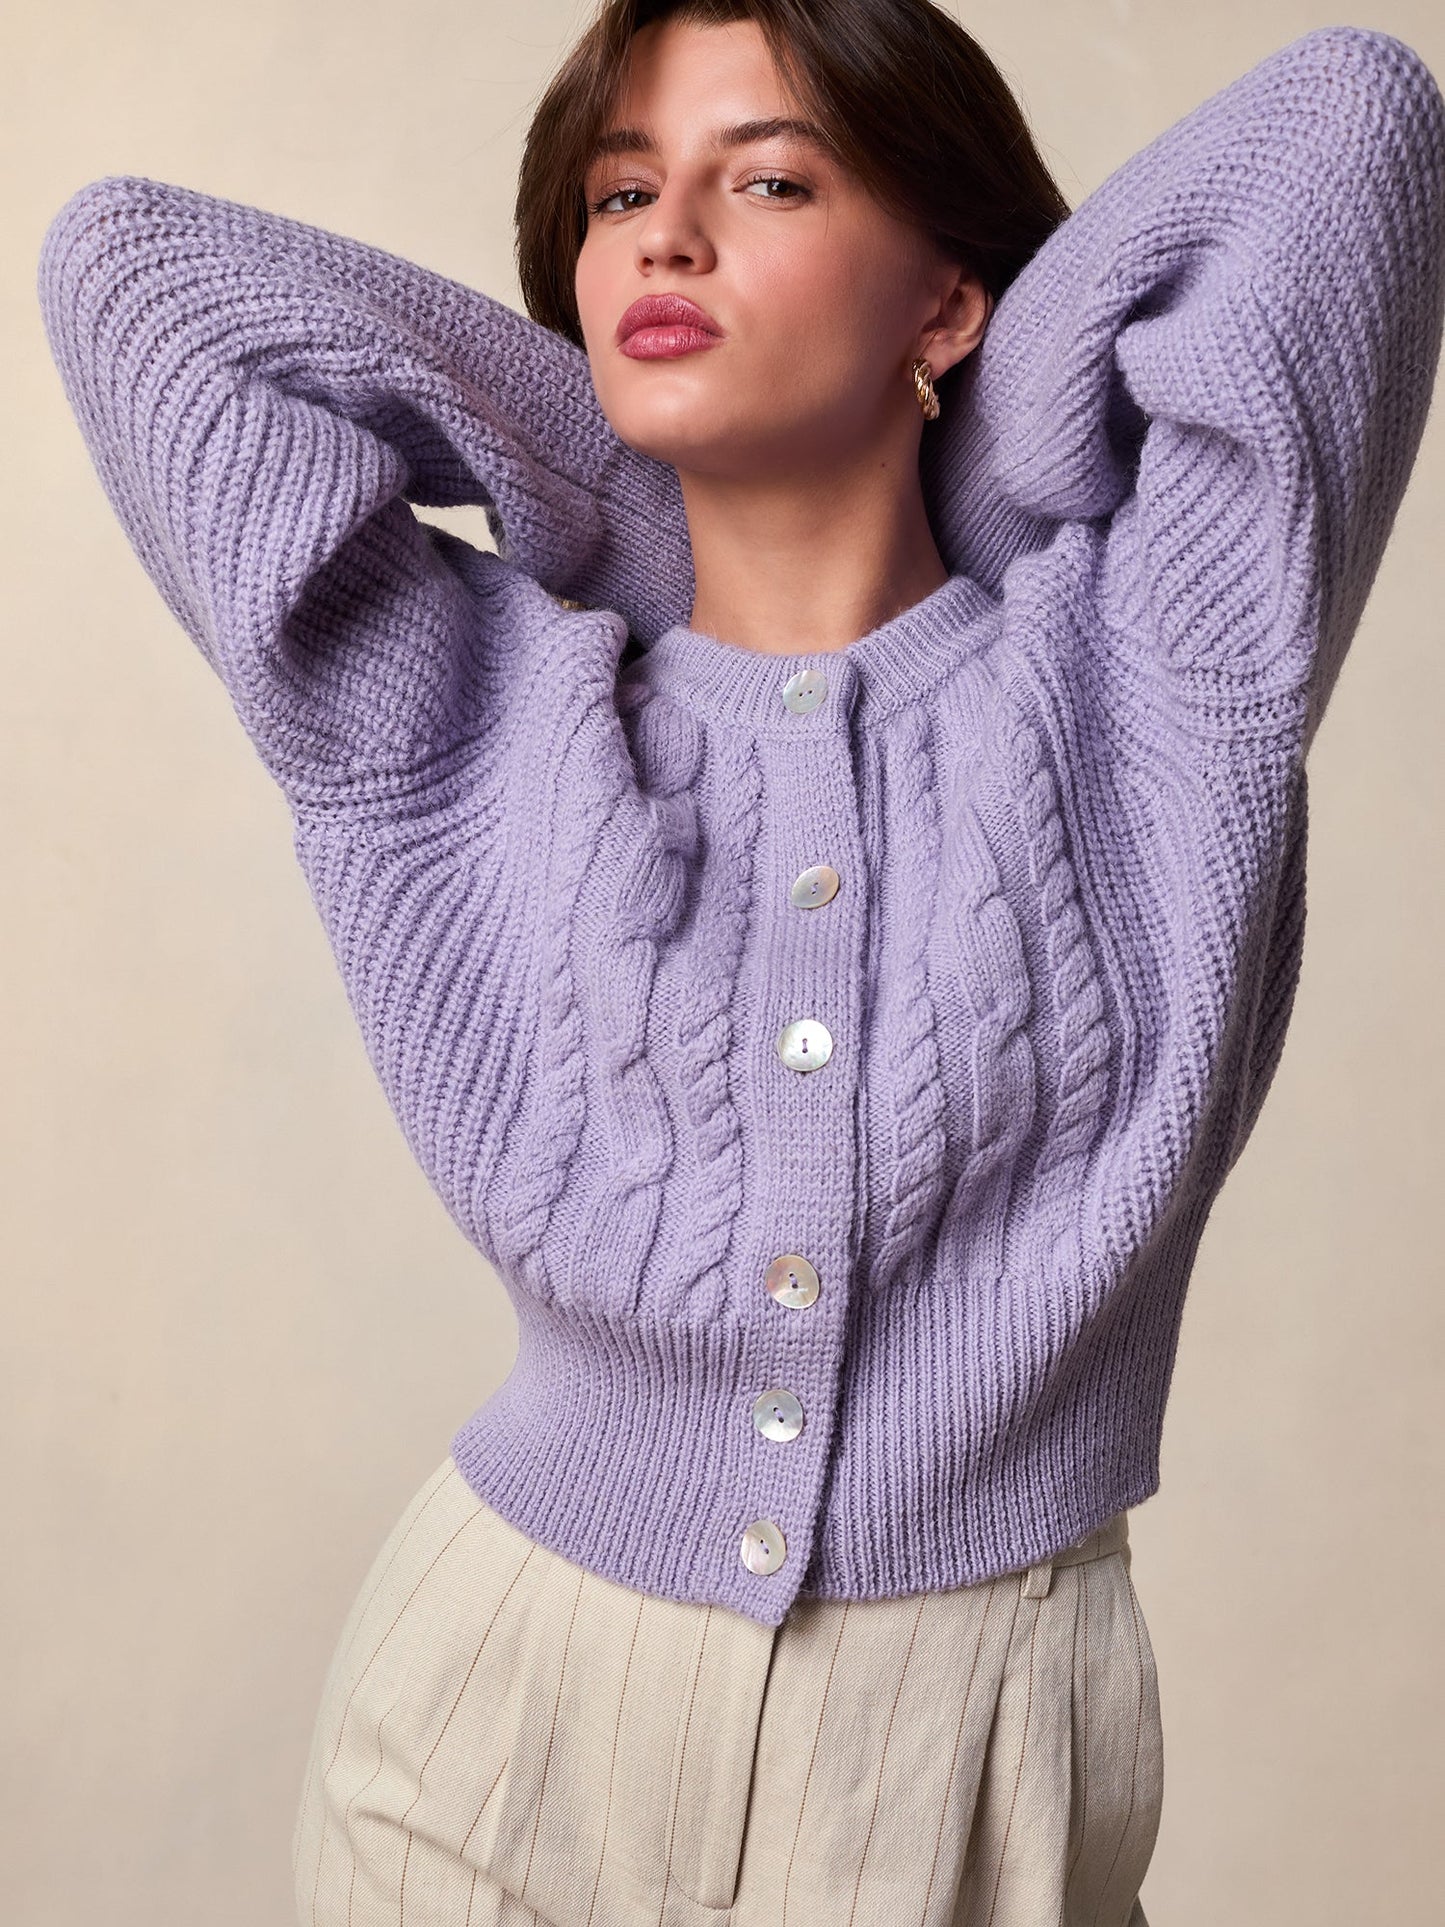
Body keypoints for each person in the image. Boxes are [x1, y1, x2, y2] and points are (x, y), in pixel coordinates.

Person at [35, 1, 1445, 1922]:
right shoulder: (478, 711)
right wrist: (629, 490)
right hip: (494, 1711)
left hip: (950, 1744)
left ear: (948, 296)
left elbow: (1347, 132)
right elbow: (133, 281)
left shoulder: (1148, 673)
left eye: (768, 181)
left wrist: (975, 468)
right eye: (620, 197)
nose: (667, 241)